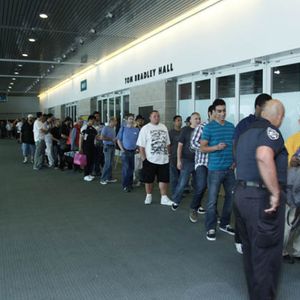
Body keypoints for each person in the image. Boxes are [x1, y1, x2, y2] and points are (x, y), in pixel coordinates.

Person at [234, 99, 287, 300]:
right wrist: (275, 192)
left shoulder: (244, 133)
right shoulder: (271, 132)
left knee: (251, 253)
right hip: (261, 199)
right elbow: (264, 155)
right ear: (278, 116)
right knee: (266, 255)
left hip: (241, 196)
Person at [233, 93, 272, 253]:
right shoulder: (244, 124)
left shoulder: (269, 125)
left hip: (263, 172)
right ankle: (239, 238)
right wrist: (239, 163)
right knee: (244, 206)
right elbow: (235, 144)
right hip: (245, 172)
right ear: (258, 107)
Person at [200, 99, 235, 241]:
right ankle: (210, 227)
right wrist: (216, 147)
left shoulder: (231, 126)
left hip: (230, 169)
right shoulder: (209, 127)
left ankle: (224, 223)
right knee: (212, 200)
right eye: (219, 111)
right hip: (215, 170)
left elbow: (234, 146)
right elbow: (202, 148)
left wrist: (235, 160)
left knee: (231, 197)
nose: (222, 114)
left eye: (224, 110)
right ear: (213, 112)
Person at [136, 110, 173, 206]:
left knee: (164, 179)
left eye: (158, 116)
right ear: (150, 117)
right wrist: (144, 159)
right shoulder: (145, 128)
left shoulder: (163, 127)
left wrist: (168, 155)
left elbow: (168, 143)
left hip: (164, 159)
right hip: (150, 159)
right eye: (154, 116)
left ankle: (164, 197)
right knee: (149, 180)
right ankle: (148, 196)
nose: (157, 118)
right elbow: (141, 146)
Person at [171, 112, 202, 223]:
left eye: (199, 118)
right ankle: (176, 200)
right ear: (191, 121)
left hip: (198, 161)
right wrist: (179, 160)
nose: (198, 120)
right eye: (196, 119)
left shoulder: (202, 130)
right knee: (183, 182)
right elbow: (180, 146)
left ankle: (196, 205)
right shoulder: (185, 130)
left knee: (199, 184)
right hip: (186, 160)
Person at [189, 105, 215, 215]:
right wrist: (204, 147)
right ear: (210, 113)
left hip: (215, 162)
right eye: (217, 112)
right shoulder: (202, 127)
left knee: (213, 189)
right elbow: (193, 143)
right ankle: (194, 207)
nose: (220, 115)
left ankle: (213, 212)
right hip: (202, 161)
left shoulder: (220, 127)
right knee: (202, 184)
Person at [117, 113, 140, 192]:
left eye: (132, 118)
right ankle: (125, 185)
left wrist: (137, 148)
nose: (131, 120)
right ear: (126, 120)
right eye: (130, 118)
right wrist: (122, 149)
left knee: (131, 168)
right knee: (126, 169)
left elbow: (138, 141)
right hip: (125, 151)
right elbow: (118, 140)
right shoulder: (123, 128)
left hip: (133, 152)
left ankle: (130, 184)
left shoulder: (136, 130)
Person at [79, 115, 98, 182]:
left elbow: (96, 137)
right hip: (86, 147)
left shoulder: (93, 128)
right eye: (93, 120)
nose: (94, 122)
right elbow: (81, 138)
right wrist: (80, 148)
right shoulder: (84, 127)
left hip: (92, 146)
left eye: (94, 121)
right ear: (90, 120)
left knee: (91, 160)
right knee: (86, 160)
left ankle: (89, 174)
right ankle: (85, 175)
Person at [100, 117, 118, 185]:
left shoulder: (113, 129)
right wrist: (111, 139)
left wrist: (114, 142)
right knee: (107, 163)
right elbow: (102, 137)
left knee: (110, 163)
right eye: (115, 121)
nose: (116, 122)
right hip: (107, 147)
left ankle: (109, 178)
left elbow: (114, 139)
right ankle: (103, 178)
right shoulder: (105, 128)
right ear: (111, 121)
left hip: (112, 147)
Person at [168, 115, 182, 195]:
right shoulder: (171, 132)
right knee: (174, 177)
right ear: (174, 122)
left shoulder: (183, 131)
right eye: (178, 120)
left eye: (180, 120)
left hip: (182, 158)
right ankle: (174, 193)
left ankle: (179, 192)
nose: (180, 122)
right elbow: (168, 145)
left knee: (181, 177)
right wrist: (169, 154)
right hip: (173, 157)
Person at [133, 115, 145, 186]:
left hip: (143, 149)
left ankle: (140, 180)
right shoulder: (134, 128)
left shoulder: (143, 128)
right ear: (136, 120)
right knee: (136, 166)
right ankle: (135, 179)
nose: (140, 121)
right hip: (136, 150)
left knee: (142, 166)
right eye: (139, 120)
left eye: (141, 120)